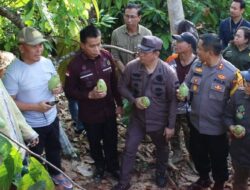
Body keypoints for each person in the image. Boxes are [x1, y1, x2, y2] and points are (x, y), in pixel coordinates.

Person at [2, 27, 72, 189]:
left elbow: (57, 84)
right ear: (21, 48)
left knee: (54, 148)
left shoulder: (47, 63)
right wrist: (35, 107)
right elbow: (9, 104)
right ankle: (37, 180)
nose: (39, 49)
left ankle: (56, 173)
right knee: (35, 156)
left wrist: (58, 89)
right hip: (31, 125)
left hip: (52, 117)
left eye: (40, 45)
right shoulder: (13, 71)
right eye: (34, 46)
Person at [112, 36, 178, 190]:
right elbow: (121, 86)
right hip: (138, 119)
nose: (140, 54)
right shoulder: (132, 67)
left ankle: (161, 174)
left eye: (145, 52)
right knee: (129, 149)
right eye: (140, 50)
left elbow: (174, 100)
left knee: (162, 149)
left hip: (159, 121)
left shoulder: (168, 73)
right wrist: (134, 100)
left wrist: (171, 125)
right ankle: (124, 182)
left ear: (156, 53)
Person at [179, 33, 241, 190]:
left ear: (210, 52)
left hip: (217, 128)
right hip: (195, 122)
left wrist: (234, 126)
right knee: (197, 153)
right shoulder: (197, 65)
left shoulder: (231, 73)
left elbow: (238, 103)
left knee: (218, 158)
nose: (196, 51)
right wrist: (182, 92)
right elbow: (186, 84)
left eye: (199, 48)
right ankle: (204, 178)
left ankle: (219, 183)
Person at [64, 25, 123, 181]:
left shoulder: (106, 56)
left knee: (111, 140)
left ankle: (113, 166)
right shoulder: (75, 65)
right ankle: (100, 167)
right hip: (90, 114)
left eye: (99, 44)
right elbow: (69, 91)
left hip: (109, 110)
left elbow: (114, 82)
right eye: (92, 46)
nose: (97, 49)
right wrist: (88, 94)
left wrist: (120, 104)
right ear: (82, 45)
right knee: (94, 142)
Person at [0, 51, 38, 158]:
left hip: (16, 144)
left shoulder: (1, 85)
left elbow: (13, 110)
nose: (6, 71)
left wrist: (29, 133)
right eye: (4, 68)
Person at [169, 32, 198, 160]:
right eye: (176, 41)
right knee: (173, 129)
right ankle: (177, 152)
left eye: (180, 42)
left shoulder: (198, 63)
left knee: (190, 132)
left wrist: (188, 95)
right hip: (174, 103)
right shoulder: (171, 60)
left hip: (192, 106)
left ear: (190, 46)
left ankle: (193, 155)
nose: (176, 44)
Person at [224, 69, 250, 190]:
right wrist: (232, 127)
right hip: (239, 151)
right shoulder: (238, 95)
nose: (246, 86)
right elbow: (227, 116)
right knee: (239, 182)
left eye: (249, 84)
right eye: (246, 82)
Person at [111, 3, 152, 71]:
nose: (129, 20)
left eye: (132, 17)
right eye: (127, 16)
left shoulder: (147, 34)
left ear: (139, 18)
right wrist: (125, 72)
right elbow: (115, 57)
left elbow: (150, 56)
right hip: (122, 75)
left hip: (141, 74)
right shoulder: (116, 33)